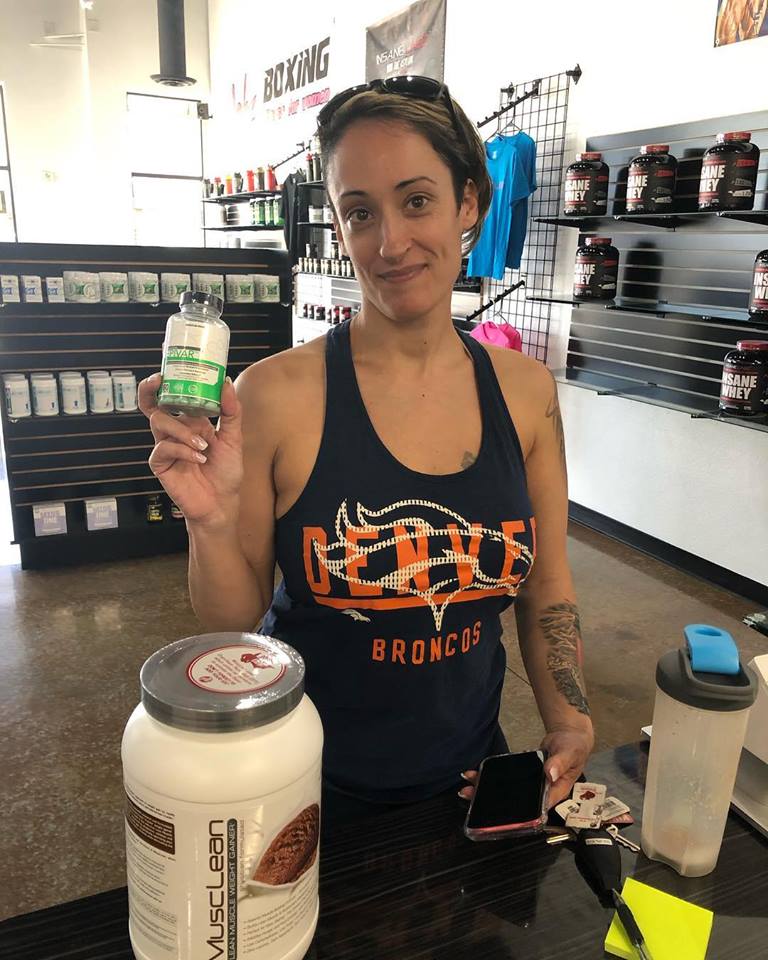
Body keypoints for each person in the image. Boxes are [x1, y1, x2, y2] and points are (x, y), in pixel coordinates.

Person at [139, 76, 594, 825]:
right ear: (339, 225)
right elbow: (235, 617)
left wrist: (570, 720)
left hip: (472, 777)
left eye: (416, 201)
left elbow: (545, 583)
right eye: (360, 212)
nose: (390, 243)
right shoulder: (275, 393)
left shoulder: (525, 392)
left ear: (468, 204)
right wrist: (210, 523)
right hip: (301, 779)